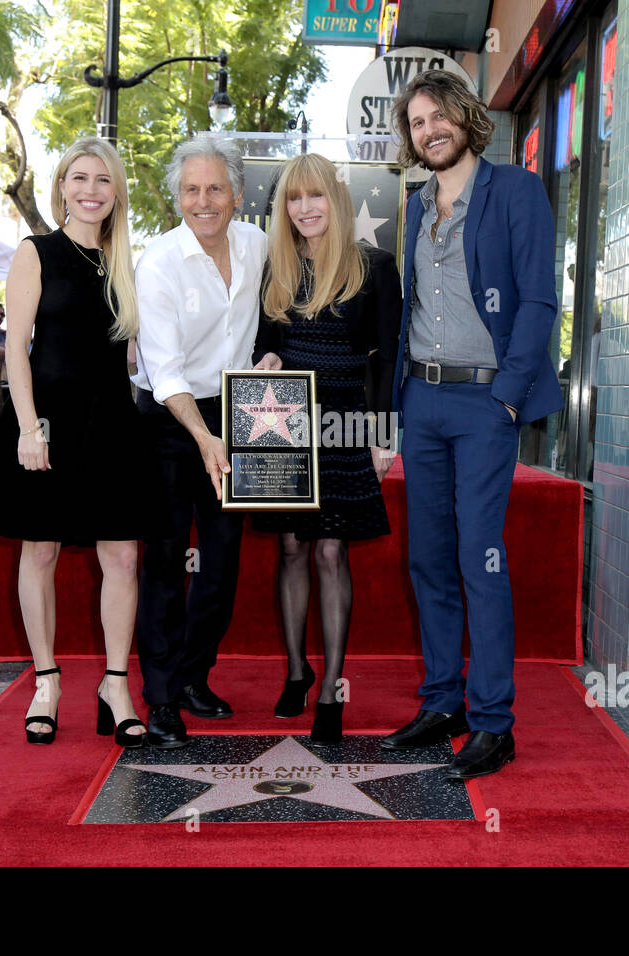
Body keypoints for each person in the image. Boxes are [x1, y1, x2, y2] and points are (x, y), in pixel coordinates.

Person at [381, 70, 562, 779]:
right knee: (427, 556)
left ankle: (493, 722)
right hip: (421, 401)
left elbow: (539, 302)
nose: (429, 129)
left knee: (479, 557)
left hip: (485, 403)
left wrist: (509, 398)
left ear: (464, 116)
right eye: (417, 122)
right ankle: (442, 702)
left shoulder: (515, 190)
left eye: (438, 116)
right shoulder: (415, 204)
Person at [0, 136, 157, 748]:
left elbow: (137, 356)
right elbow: (14, 348)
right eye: (79, 178)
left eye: (103, 180)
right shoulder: (36, 252)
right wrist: (26, 427)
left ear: (117, 190)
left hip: (112, 422)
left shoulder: (129, 260)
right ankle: (46, 682)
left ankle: (116, 685)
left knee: (124, 557)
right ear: (62, 186)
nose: (91, 190)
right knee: (40, 551)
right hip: (45, 420)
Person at [251, 153, 401, 743]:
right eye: (293, 199)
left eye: (314, 197)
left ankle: (334, 687)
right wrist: (267, 358)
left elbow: (388, 356)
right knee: (290, 548)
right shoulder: (277, 266)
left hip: (344, 420)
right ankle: (296, 672)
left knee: (331, 552)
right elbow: (268, 343)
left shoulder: (375, 265)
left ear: (334, 200)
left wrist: (384, 432)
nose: (305, 208)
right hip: (285, 419)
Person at [132, 136, 267, 749]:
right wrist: (204, 438)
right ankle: (160, 699)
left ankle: (192, 677)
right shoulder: (158, 262)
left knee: (222, 560)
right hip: (167, 419)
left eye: (215, 188)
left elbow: (269, 320)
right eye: (192, 189)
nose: (204, 201)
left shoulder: (258, 245)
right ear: (176, 196)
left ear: (237, 193)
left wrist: (270, 357)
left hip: (236, 410)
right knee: (163, 562)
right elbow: (164, 371)